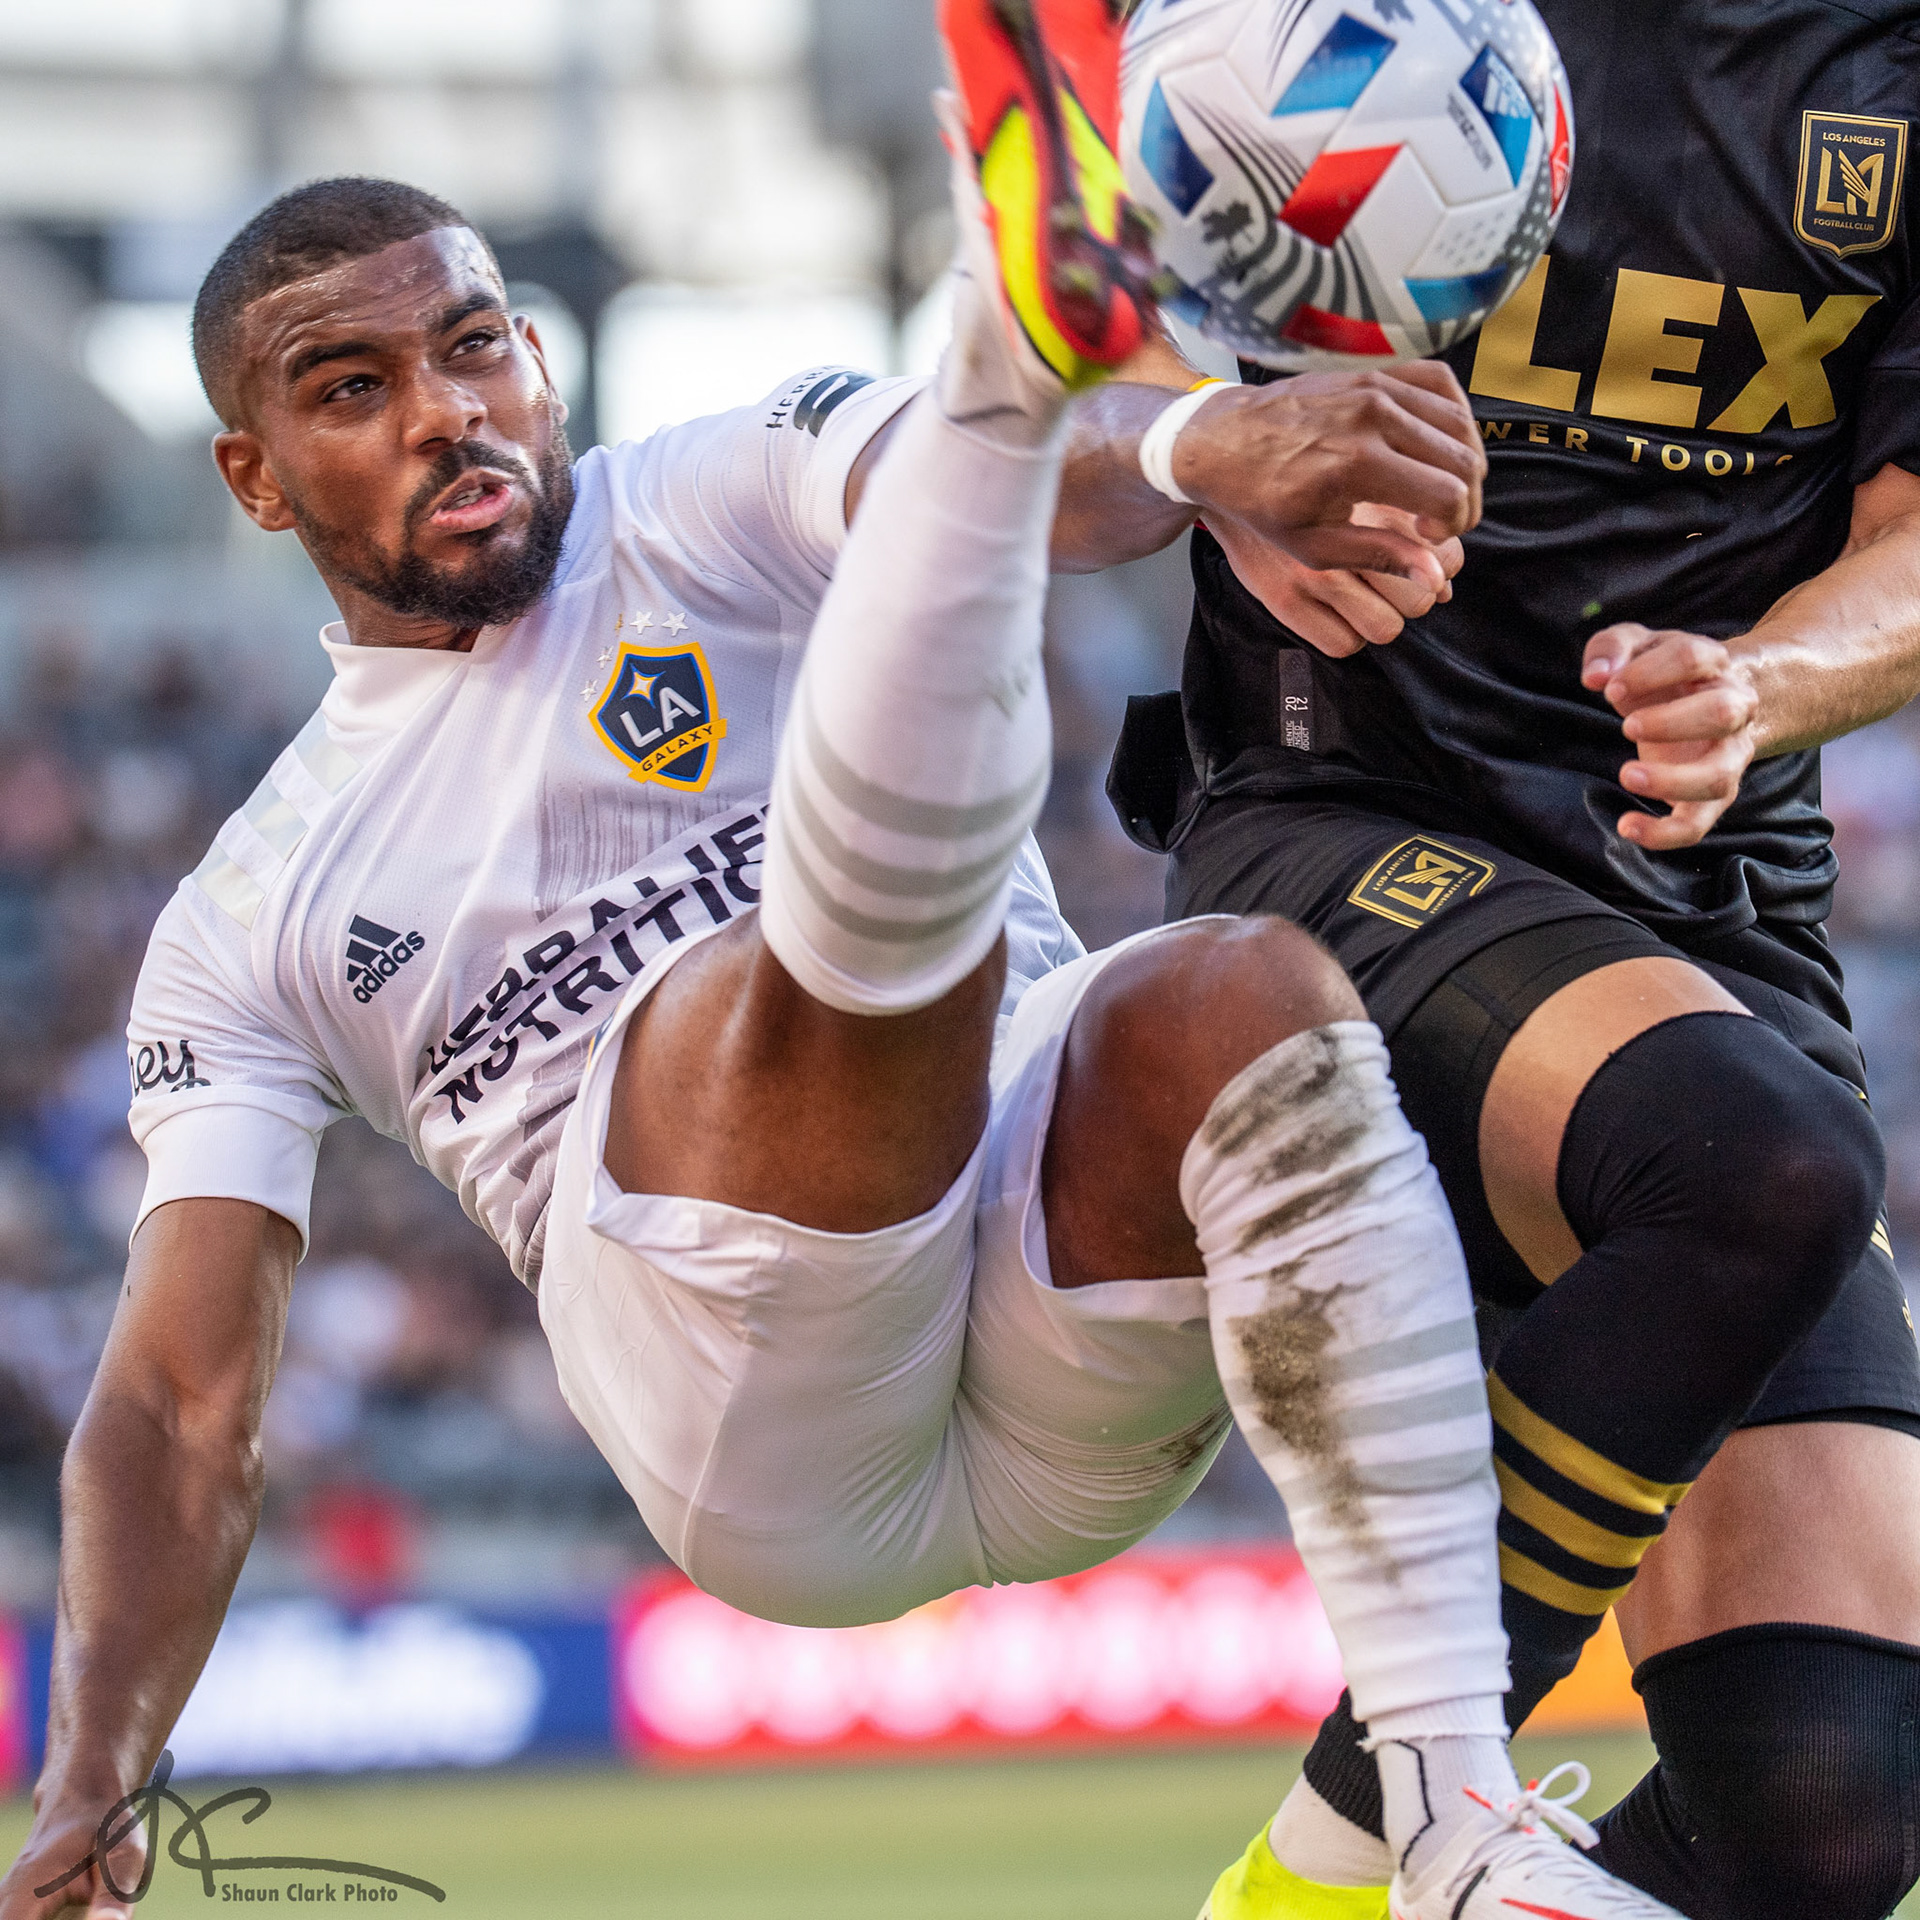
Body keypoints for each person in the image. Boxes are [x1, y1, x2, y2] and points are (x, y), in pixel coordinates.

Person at [0, 5, 1689, 1919]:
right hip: (762, 1424)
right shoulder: (252, 909)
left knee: (1246, 994)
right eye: (351, 386)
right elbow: (176, 1399)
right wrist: (92, 1768)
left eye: (473, 347)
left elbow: (1029, 493)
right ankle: (1010, 328)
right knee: (749, 984)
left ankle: (1463, 1831)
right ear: (253, 476)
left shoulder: (700, 490)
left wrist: (1211, 435)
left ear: (537, 363)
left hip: (1063, 1343)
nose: (441, 411)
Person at [1084, 0, 1920, 1915]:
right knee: (1757, 1162)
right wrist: (1214, 455)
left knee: (1825, 1823)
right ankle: (1353, 1857)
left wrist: (1763, 684)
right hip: (1345, 809)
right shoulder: (1292, 31)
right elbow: (1024, 396)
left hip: (1704, 867)